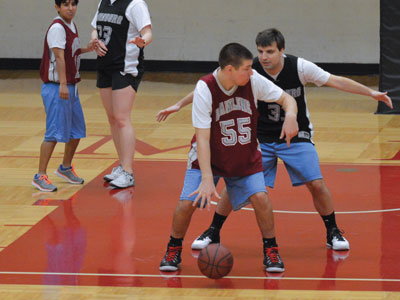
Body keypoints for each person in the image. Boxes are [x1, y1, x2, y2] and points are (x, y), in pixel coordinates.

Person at [156, 28, 393, 252]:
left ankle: (332, 231)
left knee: (317, 183)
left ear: (282, 50)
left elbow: (335, 80)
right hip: (259, 137)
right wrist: (179, 104)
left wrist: (371, 92)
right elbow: (210, 84)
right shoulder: (250, 70)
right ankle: (213, 230)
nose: (264, 56)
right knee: (236, 183)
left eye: (269, 51)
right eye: (260, 51)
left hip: (294, 135)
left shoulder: (298, 67)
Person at [159, 43, 299, 273]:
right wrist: (206, 178)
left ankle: (271, 250)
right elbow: (202, 139)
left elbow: (287, 99)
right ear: (229, 70)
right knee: (187, 203)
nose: (251, 71)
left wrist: (291, 116)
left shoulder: (253, 81)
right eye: (246, 68)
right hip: (210, 157)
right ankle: (173, 248)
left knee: (261, 199)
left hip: (244, 155)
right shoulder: (206, 88)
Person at [32, 0, 96, 192]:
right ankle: (40, 175)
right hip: (57, 87)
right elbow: (59, 57)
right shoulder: (57, 28)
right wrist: (61, 84)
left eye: (73, 4)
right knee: (52, 133)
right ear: (57, 6)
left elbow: (70, 53)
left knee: (77, 131)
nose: (70, 8)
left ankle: (65, 167)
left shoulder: (70, 25)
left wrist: (87, 48)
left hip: (70, 86)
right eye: (66, 4)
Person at [91, 0, 152, 188]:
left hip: (125, 67)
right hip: (105, 66)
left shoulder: (135, 4)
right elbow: (95, 27)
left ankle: (128, 171)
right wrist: (95, 39)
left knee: (122, 118)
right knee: (112, 118)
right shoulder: (104, 2)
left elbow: (148, 31)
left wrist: (143, 41)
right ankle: (121, 165)